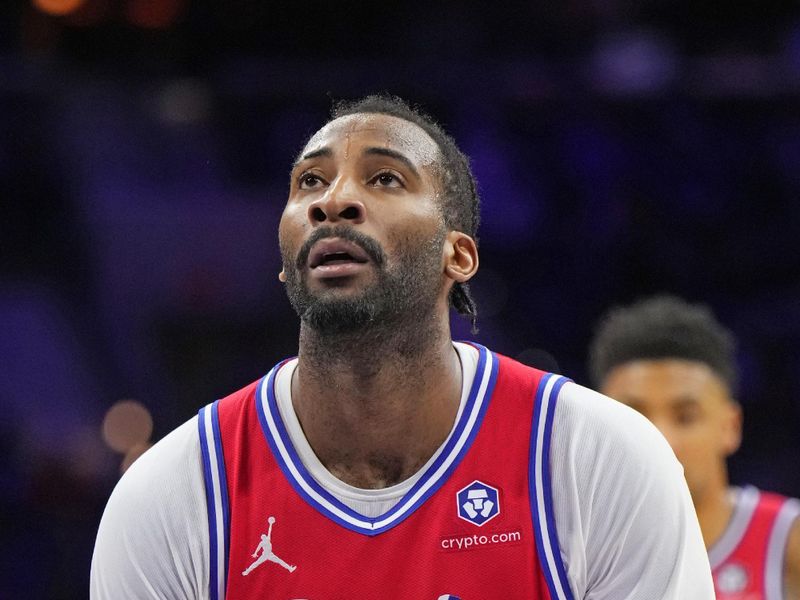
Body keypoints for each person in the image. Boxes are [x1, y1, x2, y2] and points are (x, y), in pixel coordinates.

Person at [90, 95, 714, 599]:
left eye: (385, 178)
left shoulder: (596, 459)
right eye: (309, 182)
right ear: (285, 264)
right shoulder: (175, 496)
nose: (332, 201)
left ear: (458, 254)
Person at [589, 295, 800, 599]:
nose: (660, 440)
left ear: (730, 426)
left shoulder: (788, 543)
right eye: (634, 417)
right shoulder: (572, 555)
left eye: (685, 417)